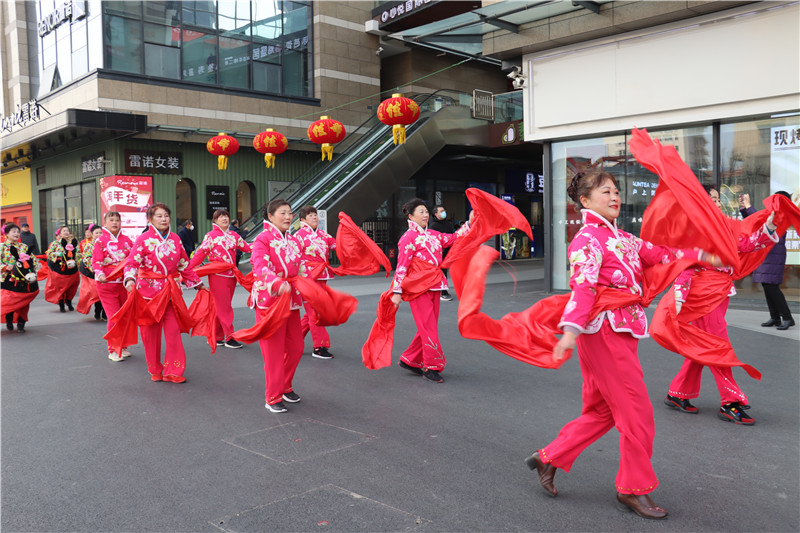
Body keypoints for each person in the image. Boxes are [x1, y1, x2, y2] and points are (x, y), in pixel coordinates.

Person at [527, 170, 722, 520]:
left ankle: (548, 457)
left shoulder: (624, 239)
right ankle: (632, 488)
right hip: (602, 333)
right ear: (585, 201)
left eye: (616, 191)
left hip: (618, 331)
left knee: (603, 412)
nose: (615, 197)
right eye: (606, 192)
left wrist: (701, 255)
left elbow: (662, 253)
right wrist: (569, 332)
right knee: (637, 413)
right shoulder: (586, 239)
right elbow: (583, 287)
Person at [664, 185, 778, 425]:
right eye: (711, 199)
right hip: (704, 295)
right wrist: (678, 297)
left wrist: (770, 226)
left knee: (704, 346)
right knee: (717, 346)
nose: (716, 203)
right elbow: (685, 265)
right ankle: (731, 402)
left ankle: (677, 393)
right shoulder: (694, 231)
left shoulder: (725, 227)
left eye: (717, 199)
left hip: (721, 292)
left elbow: (747, 245)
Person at [391, 198, 472, 383]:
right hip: (418, 288)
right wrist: (397, 292)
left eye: (426, 211)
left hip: (435, 284)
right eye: (421, 211)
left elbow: (453, 238)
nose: (425, 214)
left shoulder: (434, 234)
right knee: (428, 327)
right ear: (410, 216)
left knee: (428, 326)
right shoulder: (407, 238)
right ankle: (431, 366)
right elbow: (401, 266)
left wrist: (469, 222)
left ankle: (410, 359)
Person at [123, 204, 203, 383]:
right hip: (148, 295)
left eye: (166, 215)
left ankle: (173, 370)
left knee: (173, 332)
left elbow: (184, 264)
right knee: (149, 334)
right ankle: (155, 368)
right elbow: (131, 263)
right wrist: (129, 279)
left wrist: (198, 284)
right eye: (159, 216)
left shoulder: (175, 239)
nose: (164, 219)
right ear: (150, 219)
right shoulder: (143, 239)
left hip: (171, 292)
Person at [251, 199, 308, 413]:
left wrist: (314, 290)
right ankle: (272, 396)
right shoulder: (262, 239)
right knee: (273, 352)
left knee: (296, 347)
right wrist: (276, 282)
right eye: (283, 213)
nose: (287, 216)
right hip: (270, 301)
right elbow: (259, 266)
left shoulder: (293, 240)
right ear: (270, 216)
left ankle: (284, 385)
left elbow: (302, 267)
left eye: (290, 212)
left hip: (291, 301)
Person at [188, 209, 251, 349]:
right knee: (225, 308)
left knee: (221, 307)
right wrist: (187, 269)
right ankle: (229, 337)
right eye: (220, 216)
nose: (224, 218)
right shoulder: (210, 236)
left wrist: (265, 244)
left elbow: (247, 248)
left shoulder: (234, 235)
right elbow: (200, 254)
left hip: (232, 275)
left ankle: (216, 336)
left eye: (226, 216)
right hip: (218, 275)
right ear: (214, 221)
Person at [740, 192, 795, 331]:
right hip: (768, 254)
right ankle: (775, 317)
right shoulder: (775, 212)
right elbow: (757, 222)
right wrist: (745, 209)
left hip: (773, 255)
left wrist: (748, 206)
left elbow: (764, 221)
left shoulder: (781, 214)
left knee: (772, 286)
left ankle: (787, 317)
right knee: (767, 284)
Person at [295, 205, 337, 359]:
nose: (314, 217)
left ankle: (292, 340)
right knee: (316, 311)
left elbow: (336, 245)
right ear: (302, 219)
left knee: (311, 313)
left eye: (315, 214)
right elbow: (294, 258)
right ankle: (319, 347)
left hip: (322, 276)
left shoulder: (323, 234)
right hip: (308, 278)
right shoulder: (299, 236)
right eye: (310, 215)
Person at [93, 211, 135, 362]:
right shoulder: (99, 241)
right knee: (113, 316)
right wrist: (100, 275)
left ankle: (122, 346)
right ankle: (113, 349)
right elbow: (96, 262)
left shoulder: (127, 241)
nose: (115, 222)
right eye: (111, 220)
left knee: (124, 316)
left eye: (117, 220)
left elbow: (133, 260)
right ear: (105, 223)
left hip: (124, 283)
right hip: (106, 284)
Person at [1, 223, 41, 332]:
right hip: (8, 279)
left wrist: (35, 267)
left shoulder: (23, 247)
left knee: (24, 302)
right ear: (6, 234)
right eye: (13, 231)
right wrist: (5, 267)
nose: (16, 234)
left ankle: (21, 323)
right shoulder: (2, 247)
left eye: (18, 232)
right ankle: (9, 321)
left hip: (24, 279)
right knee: (9, 302)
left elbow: (33, 260)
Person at [44, 226, 81, 312]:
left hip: (72, 269)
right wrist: (59, 255)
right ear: (60, 233)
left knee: (71, 288)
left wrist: (75, 259)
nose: (66, 232)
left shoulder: (73, 243)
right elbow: (48, 253)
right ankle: (61, 304)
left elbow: (79, 254)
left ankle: (69, 301)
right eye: (64, 231)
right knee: (59, 288)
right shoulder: (55, 243)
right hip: (60, 268)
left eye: (67, 230)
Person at [76, 224, 105, 320]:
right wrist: (95, 268)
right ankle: (97, 312)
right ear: (92, 234)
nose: (99, 234)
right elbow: (86, 259)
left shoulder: (106, 243)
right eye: (96, 233)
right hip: (94, 273)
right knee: (97, 294)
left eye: (100, 232)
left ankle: (105, 314)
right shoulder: (89, 246)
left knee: (106, 294)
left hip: (106, 272)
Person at [427, 205, 455, 301]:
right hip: (438, 253)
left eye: (444, 210)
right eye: (441, 211)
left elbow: (451, 236)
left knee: (444, 272)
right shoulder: (433, 226)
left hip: (447, 252)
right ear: (435, 214)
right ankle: (442, 291)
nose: (444, 212)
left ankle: (440, 290)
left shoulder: (447, 223)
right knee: (440, 272)